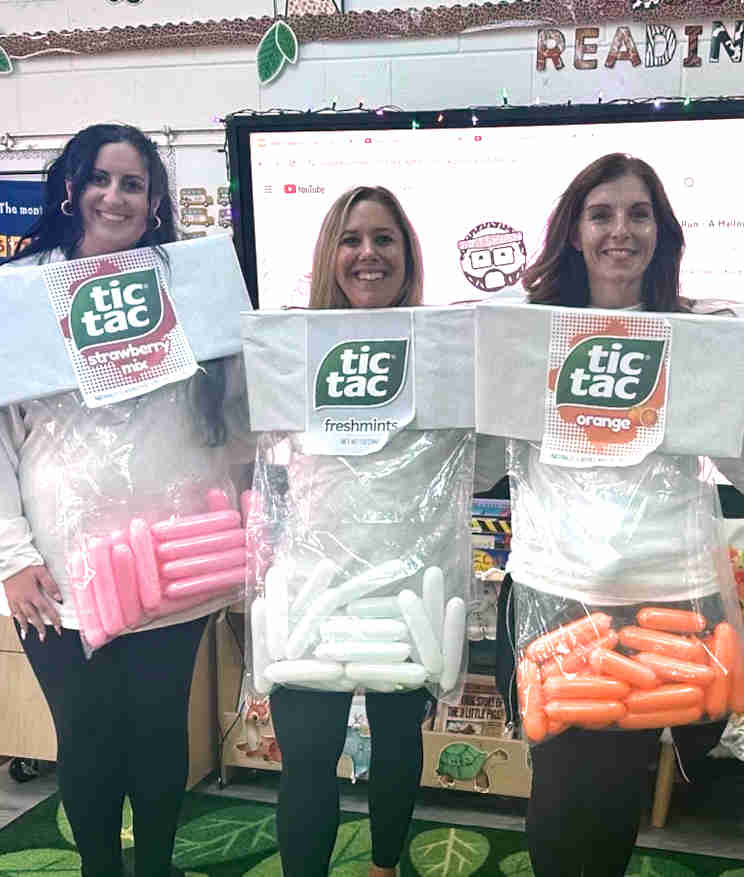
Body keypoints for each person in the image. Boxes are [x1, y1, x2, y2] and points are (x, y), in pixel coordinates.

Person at [0, 124, 250, 877]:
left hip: (174, 566)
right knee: (87, 736)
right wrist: (8, 557)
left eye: (134, 184)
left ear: (154, 204)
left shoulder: (186, 286)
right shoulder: (16, 298)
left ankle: (153, 864)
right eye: (102, 179)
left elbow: (233, 412)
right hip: (59, 573)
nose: (115, 197)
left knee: (158, 733)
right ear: (70, 187)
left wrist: (251, 513)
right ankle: (97, 869)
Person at [493, 152, 744, 876]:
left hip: (663, 600)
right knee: (565, 793)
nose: (620, 231)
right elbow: (484, 463)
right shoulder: (531, 333)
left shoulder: (697, 333)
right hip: (558, 597)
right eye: (600, 214)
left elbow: (736, 464)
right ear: (574, 231)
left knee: (618, 789)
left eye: (639, 214)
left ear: (661, 231)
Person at [267, 186, 433, 877]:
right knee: (306, 755)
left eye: (385, 239)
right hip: (315, 583)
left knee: (397, 745)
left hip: (405, 585)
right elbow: (257, 442)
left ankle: (383, 867)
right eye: (352, 238)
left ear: (407, 254)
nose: (369, 254)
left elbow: (473, 462)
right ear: (329, 253)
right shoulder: (293, 346)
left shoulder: (438, 349)